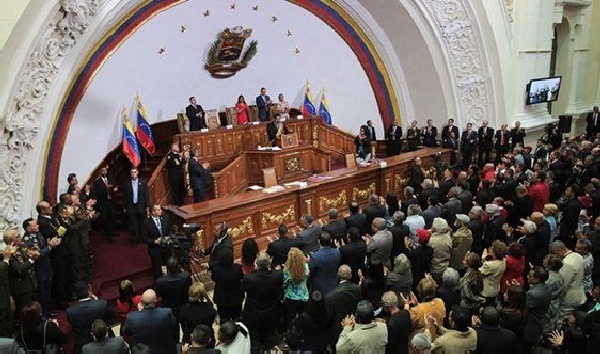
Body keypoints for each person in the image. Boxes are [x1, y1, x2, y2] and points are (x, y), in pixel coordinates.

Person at [242, 252, 283, 352]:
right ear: (269, 264)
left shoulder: (248, 278)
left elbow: (245, 291)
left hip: (254, 313)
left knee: (255, 339)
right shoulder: (278, 275)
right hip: (272, 312)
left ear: (256, 264)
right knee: (269, 336)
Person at [122, 289, 178, 353]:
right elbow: (174, 327)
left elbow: (126, 333)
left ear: (141, 302)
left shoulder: (131, 317)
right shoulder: (167, 312)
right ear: (156, 300)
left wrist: (139, 312)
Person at [22, 218, 59, 314]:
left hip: (47, 267)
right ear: (28, 229)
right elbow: (37, 254)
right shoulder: (27, 241)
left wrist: (49, 245)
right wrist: (50, 247)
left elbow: (43, 247)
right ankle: (45, 314)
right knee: (42, 294)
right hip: (39, 270)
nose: (38, 226)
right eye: (35, 225)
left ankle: (49, 311)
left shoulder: (38, 233)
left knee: (48, 291)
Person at [66, 281, 114, 352]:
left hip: (84, 344)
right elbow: (112, 317)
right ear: (89, 291)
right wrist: (97, 301)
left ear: (75, 295)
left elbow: (73, 325)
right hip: (104, 339)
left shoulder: (70, 312)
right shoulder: (102, 304)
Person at [4, 227, 38, 315]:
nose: (20, 238)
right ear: (12, 241)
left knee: (34, 309)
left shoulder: (21, 247)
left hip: (29, 283)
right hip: (21, 289)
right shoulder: (8, 253)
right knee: (25, 313)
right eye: (17, 236)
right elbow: (19, 269)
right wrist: (31, 260)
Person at [550, 241, 586, 318]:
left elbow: (562, 284)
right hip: (579, 293)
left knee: (562, 320)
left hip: (569, 298)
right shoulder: (578, 255)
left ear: (559, 250)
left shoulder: (566, 263)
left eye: (554, 253)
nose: (554, 256)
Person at [155, 257, 192, 324]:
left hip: (170, 310)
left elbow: (159, 296)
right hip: (184, 307)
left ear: (167, 269)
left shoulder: (160, 282)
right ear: (178, 267)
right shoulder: (186, 276)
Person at [523, 266, 551, 351]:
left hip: (531, 325)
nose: (527, 276)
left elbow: (525, 309)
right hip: (541, 320)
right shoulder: (546, 287)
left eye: (530, 276)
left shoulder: (532, 294)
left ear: (537, 279)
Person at [210, 250, 243, 322]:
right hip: (236, 298)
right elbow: (241, 277)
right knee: (237, 320)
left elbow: (214, 279)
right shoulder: (238, 268)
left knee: (224, 321)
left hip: (222, 300)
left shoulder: (216, 269)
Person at [282, 247, 310, 327]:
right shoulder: (305, 267)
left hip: (291, 298)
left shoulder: (287, 271)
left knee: (290, 320)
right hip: (304, 296)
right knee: (303, 319)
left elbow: (284, 285)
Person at [122, 168, 149, 244]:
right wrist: (124, 207)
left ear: (137, 173)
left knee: (142, 223)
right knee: (134, 223)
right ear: (130, 174)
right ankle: (137, 238)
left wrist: (147, 206)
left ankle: (143, 238)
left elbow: (146, 195)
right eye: (132, 172)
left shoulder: (143, 182)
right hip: (131, 206)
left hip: (141, 205)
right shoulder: (126, 183)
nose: (133, 174)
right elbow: (125, 196)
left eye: (135, 172)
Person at [91, 165, 117, 237]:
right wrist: (106, 189)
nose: (104, 172)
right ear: (100, 171)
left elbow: (114, 185)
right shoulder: (97, 181)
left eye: (105, 170)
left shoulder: (110, 178)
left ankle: (112, 231)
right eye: (102, 170)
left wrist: (114, 188)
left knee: (112, 216)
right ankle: (107, 233)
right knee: (105, 218)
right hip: (103, 202)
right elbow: (97, 192)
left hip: (111, 201)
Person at [480, 240, 507, 304]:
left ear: (494, 252)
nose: (490, 248)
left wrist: (483, 259)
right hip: (496, 289)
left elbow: (479, 274)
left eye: (492, 248)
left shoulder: (488, 265)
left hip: (486, 291)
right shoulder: (504, 261)